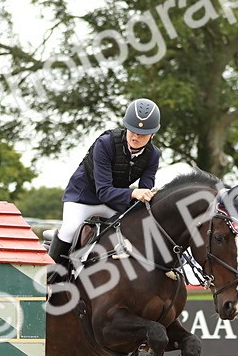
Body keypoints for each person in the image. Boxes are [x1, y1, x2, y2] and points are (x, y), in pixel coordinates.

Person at [49, 98, 161, 273]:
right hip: (83, 196)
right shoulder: (106, 143)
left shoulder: (153, 155)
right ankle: (49, 278)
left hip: (115, 202)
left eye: (143, 133)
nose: (136, 136)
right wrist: (133, 194)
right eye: (133, 130)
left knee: (137, 229)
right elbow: (103, 191)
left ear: (153, 134)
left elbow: (143, 194)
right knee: (70, 230)